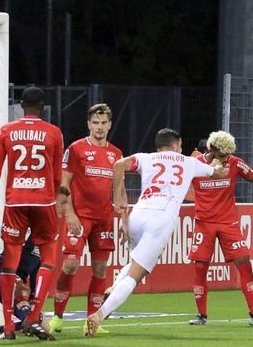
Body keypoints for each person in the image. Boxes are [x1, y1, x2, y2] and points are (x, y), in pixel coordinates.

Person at [84, 128, 227, 336]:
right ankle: (99, 315)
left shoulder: (146, 157)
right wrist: (217, 162)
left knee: (134, 263)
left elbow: (118, 165)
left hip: (137, 215)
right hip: (161, 219)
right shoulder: (188, 161)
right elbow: (219, 172)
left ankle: (114, 287)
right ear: (176, 146)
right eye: (180, 146)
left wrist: (119, 199)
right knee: (136, 274)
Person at [0, 86, 63, 340]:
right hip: (44, 201)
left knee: (9, 264)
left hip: (16, 202)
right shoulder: (54, 133)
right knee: (48, 258)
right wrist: (53, 197)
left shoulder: (7, 131)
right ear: (42, 106)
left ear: (21, 105)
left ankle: (7, 327)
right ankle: (34, 314)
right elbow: (57, 174)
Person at [49, 103, 123, 334]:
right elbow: (64, 183)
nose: (99, 127)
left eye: (103, 123)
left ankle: (91, 320)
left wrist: (123, 217)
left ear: (109, 125)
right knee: (70, 265)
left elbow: (119, 189)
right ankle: (58, 317)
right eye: (95, 123)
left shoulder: (116, 154)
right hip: (80, 218)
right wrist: (69, 213)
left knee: (101, 270)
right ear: (88, 124)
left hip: (104, 219)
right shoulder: (77, 148)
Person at [187, 131, 253, 326]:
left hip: (228, 223)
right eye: (222, 156)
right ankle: (202, 316)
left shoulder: (234, 162)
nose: (226, 160)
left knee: (245, 265)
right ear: (212, 150)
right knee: (200, 267)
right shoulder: (195, 164)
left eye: (228, 156)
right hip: (203, 223)